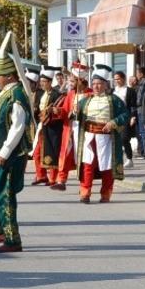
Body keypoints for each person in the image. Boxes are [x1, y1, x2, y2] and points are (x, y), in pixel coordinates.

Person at [0, 51, 32, 252]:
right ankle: (0, 230)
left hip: (10, 155)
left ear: (10, 76)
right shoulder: (4, 92)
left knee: (4, 194)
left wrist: (4, 151)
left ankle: (13, 240)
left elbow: (18, 127)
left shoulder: (16, 94)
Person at [76, 65, 129, 203]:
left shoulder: (114, 100)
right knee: (87, 164)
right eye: (94, 84)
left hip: (106, 138)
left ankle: (106, 193)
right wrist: (74, 112)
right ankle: (85, 193)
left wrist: (113, 122)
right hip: (89, 136)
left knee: (106, 166)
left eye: (99, 84)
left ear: (105, 84)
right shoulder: (85, 100)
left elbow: (125, 115)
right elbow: (76, 115)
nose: (96, 87)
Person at [49, 62, 90, 191]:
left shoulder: (90, 94)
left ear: (81, 81)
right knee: (65, 155)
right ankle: (61, 180)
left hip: (84, 130)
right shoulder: (71, 94)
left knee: (83, 157)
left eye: (73, 80)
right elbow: (65, 111)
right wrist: (57, 111)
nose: (70, 83)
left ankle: (84, 184)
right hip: (70, 129)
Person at [31, 65, 63, 185]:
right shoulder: (42, 94)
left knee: (53, 152)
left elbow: (59, 110)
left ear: (50, 82)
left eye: (44, 81)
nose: (42, 83)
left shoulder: (56, 94)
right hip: (42, 126)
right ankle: (41, 175)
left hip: (53, 127)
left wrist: (51, 112)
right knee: (37, 152)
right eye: (41, 81)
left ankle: (53, 178)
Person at [112, 70, 137, 168]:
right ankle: (117, 159)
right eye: (115, 79)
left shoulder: (130, 91)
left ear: (123, 79)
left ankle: (129, 159)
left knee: (124, 139)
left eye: (118, 79)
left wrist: (133, 117)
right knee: (115, 139)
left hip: (125, 117)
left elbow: (134, 106)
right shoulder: (112, 91)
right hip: (114, 117)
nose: (116, 81)